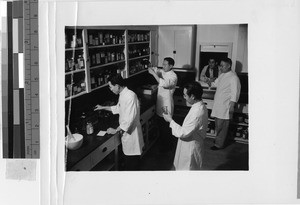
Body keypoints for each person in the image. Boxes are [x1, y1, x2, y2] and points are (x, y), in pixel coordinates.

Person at [94, 74, 144, 170]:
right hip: (127, 134)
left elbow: (129, 119)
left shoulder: (130, 96)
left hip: (132, 135)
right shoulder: (123, 94)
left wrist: (115, 130)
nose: (110, 89)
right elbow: (118, 108)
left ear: (117, 85)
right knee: (129, 160)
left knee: (132, 164)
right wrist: (103, 107)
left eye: (111, 87)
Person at [162, 81, 208, 170]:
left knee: (187, 169)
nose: (184, 98)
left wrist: (170, 120)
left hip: (190, 147)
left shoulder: (197, 112)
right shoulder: (198, 105)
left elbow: (183, 133)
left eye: (185, 95)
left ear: (193, 96)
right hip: (189, 143)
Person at [210, 58, 241, 150]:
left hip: (225, 106)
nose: (220, 67)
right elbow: (215, 84)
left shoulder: (233, 77)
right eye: (220, 65)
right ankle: (218, 140)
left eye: (222, 66)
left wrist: (232, 106)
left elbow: (235, 93)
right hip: (218, 105)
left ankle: (219, 144)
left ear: (229, 66)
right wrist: (209, 82)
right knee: (218, 125)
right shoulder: (222, 75)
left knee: (222, 126)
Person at [148, 57, 178, 152]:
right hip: (160, 102)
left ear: (171, 66)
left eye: (165, 64)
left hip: (166, 105)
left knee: (166, 126)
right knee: (160, 124)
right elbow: (156, 70)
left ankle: (168, 146)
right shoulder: (162, 71)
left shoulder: (173, 76)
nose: (163, 66)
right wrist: (151, 68)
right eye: (163, 63)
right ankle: (163, 144)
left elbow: (165, 84)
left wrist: (153, 73)